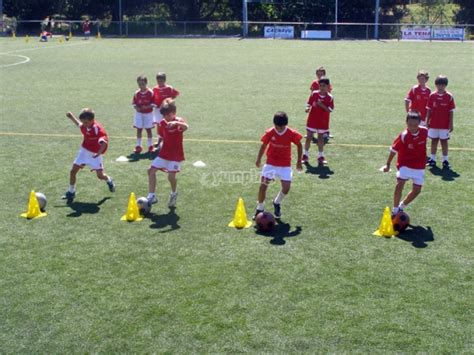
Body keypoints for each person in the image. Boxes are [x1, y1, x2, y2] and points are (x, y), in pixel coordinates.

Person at [254, 111, 303, 219]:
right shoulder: (270, 132)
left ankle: (276, 202)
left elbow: (299, 145)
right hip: (270, 163)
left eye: (281, 127)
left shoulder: (291, 133)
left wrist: (299, 161)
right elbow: (263, 145)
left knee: (286, 188)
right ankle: (260, 208)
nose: (279, 129)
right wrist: (258, 159)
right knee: (262, 186)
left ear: (285, 125)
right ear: (274, 124)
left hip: (285, 164)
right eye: (277, 127)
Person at [62, 108, 115, 202]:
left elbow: (104, 143)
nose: (84, 124)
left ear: (92, 120)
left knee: (100, 176)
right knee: (73, 171)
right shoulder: (85, 125)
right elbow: (79, 124)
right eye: (83, 122)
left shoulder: (98, 130)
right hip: (84, 151)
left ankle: (109, 180)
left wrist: (98, 154)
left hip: (95, 154)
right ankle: (71, 192)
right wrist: (71, 117)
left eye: (85, 122)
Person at [383, 111, 428, 216]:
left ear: (419, 123)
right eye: (410, 125)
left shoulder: (425, 132)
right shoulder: (404, 136)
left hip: (419, 165)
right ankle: (394, 211)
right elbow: (393, 150)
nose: (412, 127)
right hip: (405, 164)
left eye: (415, 125)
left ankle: (401, 207)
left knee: (417, 190)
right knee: (399, 185)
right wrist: (388, 164)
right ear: (406, 123)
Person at [147, 99, 188, 208]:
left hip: (175, 155)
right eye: (164, 115)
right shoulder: (162, 123)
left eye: (168, 115)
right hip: (164, 153)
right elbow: (162, 136)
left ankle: (173, 193)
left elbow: (186, 127)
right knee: (151, 171)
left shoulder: (179, 121)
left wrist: (176, 123)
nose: (166, 117)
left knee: (171, 177)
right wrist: (158, 145)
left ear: (174, 113)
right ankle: (151, 196)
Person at [302, 77, 334, 165]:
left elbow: (330, 110)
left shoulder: (330, 97)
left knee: (320, 138)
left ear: (328, 86)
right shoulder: (314, 94)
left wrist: (321, 105)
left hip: (322, 121)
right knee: (309, 137)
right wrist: (307, 108)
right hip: (312, 119)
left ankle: (320, 156)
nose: (322, 87)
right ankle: (305, 155)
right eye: (320, 85)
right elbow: (309, 103)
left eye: (324, 86)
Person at [426, 75, 456, 169]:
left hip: (444, 125)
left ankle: (445, 160)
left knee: (444, 142)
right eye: (439, 85)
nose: (441, 87)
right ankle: (432, 159)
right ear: (436, 85)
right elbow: (429, 110)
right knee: (434, 141)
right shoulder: (432, 96)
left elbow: (451, 112)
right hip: (434, 124)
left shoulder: (449, 96)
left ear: (445, 85)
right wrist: (427, 121)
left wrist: (451, 124)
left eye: (443, 85)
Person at [152, 72, 180, 149]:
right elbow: (152, 98)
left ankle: (167, 139)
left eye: (161, 81)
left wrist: (169, 102)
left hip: (167, 110)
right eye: (158, 81)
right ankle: (159, 140)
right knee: (159, 124)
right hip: (158, 109)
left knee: (167, 123)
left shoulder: (169, 88)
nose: (159, 83)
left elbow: (176, 94)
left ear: (164, 80)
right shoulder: (155, 89)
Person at [132, 75, 156, 154]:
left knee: (148, 129)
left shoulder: (150, 92)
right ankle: (138, 146)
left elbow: (154, 104)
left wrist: (147, 106)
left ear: (146, 83)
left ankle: (150, 146)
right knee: (139, 129)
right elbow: (134, 103)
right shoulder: (137, 93)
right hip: (139, 114)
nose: (141, 86)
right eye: (139, 84)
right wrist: (136, 108)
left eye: (143, 84)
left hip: (148, 114)